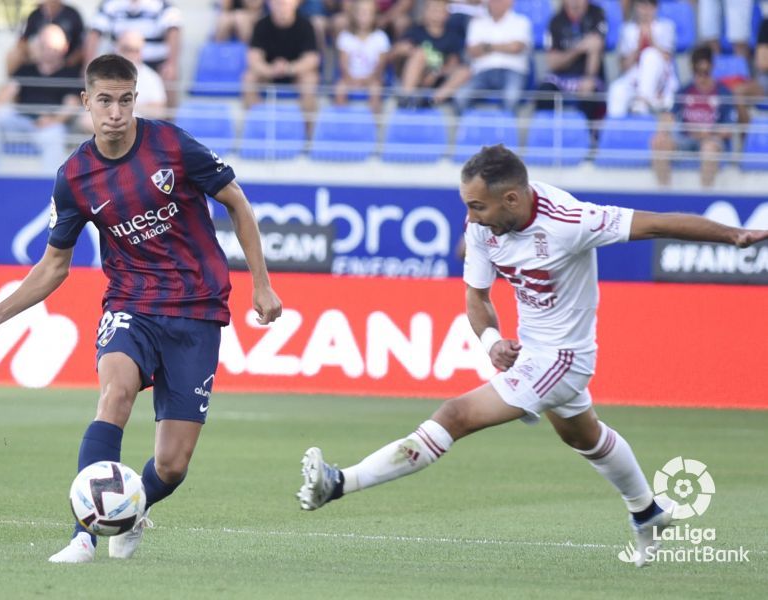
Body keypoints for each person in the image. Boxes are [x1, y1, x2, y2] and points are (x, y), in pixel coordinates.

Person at [296, 144, 768, 568]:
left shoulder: (572, 221)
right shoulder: (482, 226)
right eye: (468, 205)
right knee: (584, 436)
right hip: (531, 353)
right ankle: (648, 512)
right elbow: (477, 297)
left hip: (565, 357)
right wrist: (491, 342)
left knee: (455, 415)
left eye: (477, 206)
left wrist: (734, 235)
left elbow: (659, 223)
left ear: (511, 199)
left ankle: (338, 483)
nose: (470, 217)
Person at [0, 54, 283, 563]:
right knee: (114, 395)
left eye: (126, 100)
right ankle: (82, 537)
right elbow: (54, 265)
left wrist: (261, 285)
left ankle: (132, 508)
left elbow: (236, 201)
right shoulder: (75, 177)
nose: (116, 112)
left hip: (198, 307)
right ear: (86, 102)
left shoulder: (172, 146)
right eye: (105, 101)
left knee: (172, 465)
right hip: (131, 302)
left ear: (136, 99)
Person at [0, 24, 82, 172]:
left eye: (53, 47)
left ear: (65, 48)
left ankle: (50, 182)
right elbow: (9, 89)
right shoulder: (26, 69)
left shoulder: (70, 74)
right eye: (45, 45)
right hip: (22, 121)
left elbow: (72, 105)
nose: (48, 50)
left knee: (55, 134)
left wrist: (53, 120)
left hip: (49, 127)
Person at [650, 44, 734, 188]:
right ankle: (663, 192)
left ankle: (705, 195)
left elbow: (728, 129)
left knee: (709, 150)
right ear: (692, 68)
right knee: (659, 142)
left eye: (705, 72)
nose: (701, 77)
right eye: (697, 72)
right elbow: (670, 115)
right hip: (686, 138)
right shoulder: (684, 90)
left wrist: (708, 132)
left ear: (712, 67)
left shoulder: (723, 93)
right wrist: (663, 128)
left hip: (711, 139)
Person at [86, 0, 183, 107]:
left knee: (169, 76)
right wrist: (89, 63)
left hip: (155, 64)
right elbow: (94, 32)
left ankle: (168, 116)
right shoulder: (110, 4)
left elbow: (174, 29)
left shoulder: (161, 5)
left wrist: (171, 64)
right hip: (117, 65)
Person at [242, 0, 321, 128]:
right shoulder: (261, 25)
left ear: (295, 3)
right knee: (249, 78)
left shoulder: (306, 25)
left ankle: (307, 131)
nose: (281, 6)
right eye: (278, 3)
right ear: (270, 4)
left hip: (295, 74)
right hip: (268, 74)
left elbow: (312, 59)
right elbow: (253, 58)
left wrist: (289, 68)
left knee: (310, 79)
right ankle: (257, 125)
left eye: (285, 3)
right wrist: (270, 70)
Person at [537, 0, 608, 122]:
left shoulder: (596, 14)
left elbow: (595, 47)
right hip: (561, 76)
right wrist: (578, 49)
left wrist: (589, 77)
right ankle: (548, 129)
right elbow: (552, 62)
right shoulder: (556, 20)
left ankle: (591, 132)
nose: (575, 2)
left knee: (590, 93)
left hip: (589, 74)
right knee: (544, 92)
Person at [606, 0, 678, 117]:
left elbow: (667, 58)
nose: (645, 11)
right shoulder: (627, 29)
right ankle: (614, 126)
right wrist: (638, 48)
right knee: (616, 88)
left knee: (650, 55)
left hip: (660, 79)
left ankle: (641, 104)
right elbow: (624, 66)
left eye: (649, 7)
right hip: (634, 77)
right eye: (642, 6)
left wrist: (652, 40)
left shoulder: (666, 26)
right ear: (636, 7)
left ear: (655, 8)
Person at [460, 0, 533, 114]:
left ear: (509, 2)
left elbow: (516, 48)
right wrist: (505, 46)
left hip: (512, 70)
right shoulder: (477, 22)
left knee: (511, 98)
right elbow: (472, 51)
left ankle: (507, 126)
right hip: (482, 72)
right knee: (461, 97)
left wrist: (487, 46)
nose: (496, 3)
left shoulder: (522, 21)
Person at [394, 0, 471, 109]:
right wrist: (404, 50)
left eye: (439, 10)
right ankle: (406, 97)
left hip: (438, 80)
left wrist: (436, 73)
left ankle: (432, 101)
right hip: (418, 77)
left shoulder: (452, 36)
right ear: (425, 12)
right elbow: (397, 51)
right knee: (420, 54)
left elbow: (454, 63)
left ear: (447, 14)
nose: (436, 14)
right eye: (433, 10)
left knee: (465, 71)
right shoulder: (415, 31)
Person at [334, 0, 391, 113]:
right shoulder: (345, 36)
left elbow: (380, 66)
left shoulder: (381, 37)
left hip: (372, 79)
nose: (364, 17)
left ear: (374, 16)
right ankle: (341, 120)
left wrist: (368, 80)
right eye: (361, 13)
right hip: (349, 78)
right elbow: (343, 64)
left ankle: (375, 122)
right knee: (340, 88)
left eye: (368, 13)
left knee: (376, 89)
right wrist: (351, 79)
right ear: (354, 14)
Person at [6, 0, 86, 75]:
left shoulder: (72, 14)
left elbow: (82, 44)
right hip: (38, 58)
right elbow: (23, 41)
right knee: (14, 54)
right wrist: (37, 53)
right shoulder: (35, 15)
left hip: (65, 59)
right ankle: (14, 81)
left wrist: (66, 61)